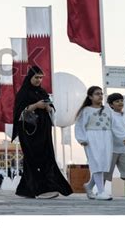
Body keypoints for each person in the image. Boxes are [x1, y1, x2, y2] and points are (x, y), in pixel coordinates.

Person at [12, 66, 73, 199]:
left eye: (41, 77)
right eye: (36, 77)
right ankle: (42, 190)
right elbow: (18, 113)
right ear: (30, 78)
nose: (39, 80)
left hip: (43, 131)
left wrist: (48, 106)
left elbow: (51, 107)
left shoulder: (42, 92)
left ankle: (26, 190)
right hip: (29, 133)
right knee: (34, 159)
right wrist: (35, 106)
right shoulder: (23, 93)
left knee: (46, 157)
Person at [75, 86, 125, 200]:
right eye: (97, 94)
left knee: (104, 164)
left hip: (106, 138)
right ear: (90, 97)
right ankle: (101, 191)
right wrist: (82, 139)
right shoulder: (86, 111)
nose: (100, 96)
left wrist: (124, 137)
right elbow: (79, 126)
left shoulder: (107, 110)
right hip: (92, 138)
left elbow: (115, 125)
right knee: (96, 163)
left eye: (101, 93)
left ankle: (89, 187)